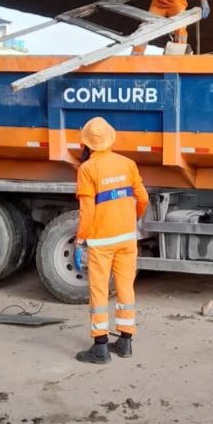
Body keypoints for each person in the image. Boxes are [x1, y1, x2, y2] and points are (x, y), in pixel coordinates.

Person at [74, 117, 149, 364]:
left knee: (99, 291)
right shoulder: (127, 164)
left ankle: (100, 347)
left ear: (86, 143)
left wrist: (80, 240)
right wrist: (130, 218)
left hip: (101, 242)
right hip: (127, 239)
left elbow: (87, 211)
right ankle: (126, 342)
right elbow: (142, 198)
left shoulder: (87, 169)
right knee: (126, 287)